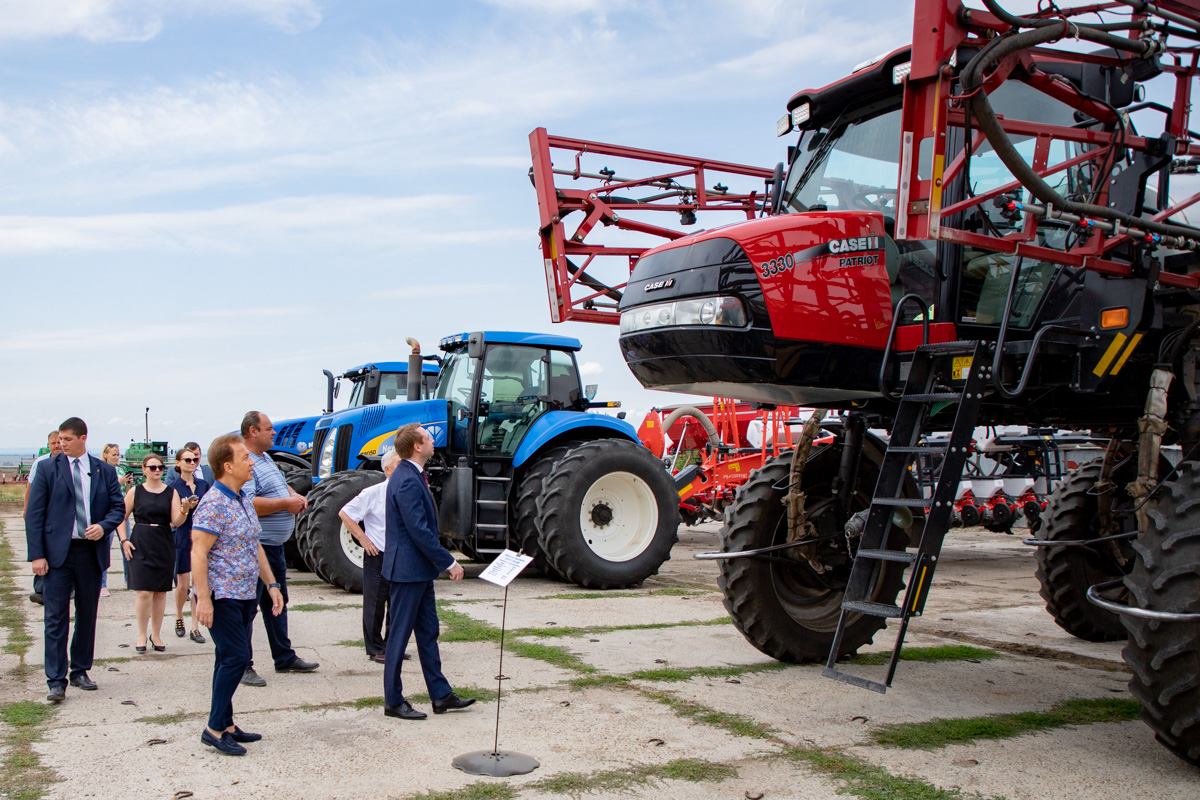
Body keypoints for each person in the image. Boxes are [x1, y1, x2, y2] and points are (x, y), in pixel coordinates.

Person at [191, 433, 285, 756]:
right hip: (222, 595)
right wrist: (203, 599)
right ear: (227, 466)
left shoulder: (243, 498)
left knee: (226, 658)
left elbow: (254, 544)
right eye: (245, 458)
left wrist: (272, 584)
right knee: (236, 657)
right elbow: (198, 553)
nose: (251, 463)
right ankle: (214, 729)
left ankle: (227, 724)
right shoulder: (213, 503)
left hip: (245, 593)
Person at [25, 417, 125, 703]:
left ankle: (80, 670)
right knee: (55, 617)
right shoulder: (48, 468)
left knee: (87, 614)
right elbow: (34, 514)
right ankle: (56, 680)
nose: (62, 443)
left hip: (90, 553)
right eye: (60, 439)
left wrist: (103, 526)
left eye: (67, 439)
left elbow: (118, 508)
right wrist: (37, 555)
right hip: (57, 554)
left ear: (83, 438)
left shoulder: (104, 471)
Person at [382, 423, 474, 720]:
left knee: (428, 632)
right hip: (407, 571)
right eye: (427, 438)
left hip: (418, 571)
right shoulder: (407, 479)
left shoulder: (412, 474)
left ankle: (441, 695)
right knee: (399, 637)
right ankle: (393, 701)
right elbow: (419, 531)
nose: (433, 441)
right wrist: (449, 562)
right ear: (417, 447)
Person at [239, 411, 318, 686]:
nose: (274, 433)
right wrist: (285, 504)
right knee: (248, 609)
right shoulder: (246, 463)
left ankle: (284, 656)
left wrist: (294, 495)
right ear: (253, 431)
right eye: (269, 428)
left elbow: (281, 486)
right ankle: (242, 665)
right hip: (257, 548)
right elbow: (249, 504)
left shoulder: (266, 459)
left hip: (274, 547)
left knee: (277, 603)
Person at [338, 451, 406, 664]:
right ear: (387, 469)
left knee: (397, 603)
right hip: (378, 554)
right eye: (399, 464)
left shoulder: (407, 492)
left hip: (400, 555)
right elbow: (345, 513)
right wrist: (363, 540)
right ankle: (375, 648)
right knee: (375, 603)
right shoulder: (373, 493)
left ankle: (393, 646)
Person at [121, 453, 187, 653]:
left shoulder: (171, 492)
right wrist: (124, 540)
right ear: (144, 470)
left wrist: (184, 510)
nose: (157, 470)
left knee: (160, 592)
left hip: (163, 542)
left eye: (160, 467)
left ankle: (156, 634)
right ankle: (142, 634)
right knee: (143, 592)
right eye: (152, 467)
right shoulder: (136, 491)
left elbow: (176, 521)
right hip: (140, 541)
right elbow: (120, 516)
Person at [170, 444, 209, 643]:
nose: (192, 463)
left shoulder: (203, 484)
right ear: (178, 463)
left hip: (201, 536)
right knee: (182, 585)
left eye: (194, 459)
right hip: (183, 535)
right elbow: (173, 518)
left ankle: (195, 626)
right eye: (187, 460)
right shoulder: (173, 487)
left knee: (197, 584)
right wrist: (185, 508)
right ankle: (179, 617)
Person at [24, 430, 62, 605]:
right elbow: (30, 488)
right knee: (42, 550)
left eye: (59, 442)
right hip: (44, 513)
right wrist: (27, 510)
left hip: (61, 515)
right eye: (53, 443)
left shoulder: (71, 463)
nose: (57, 446)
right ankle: (40, 589)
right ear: (48, 445)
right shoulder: (41, 463)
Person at [99, 444, 134, 596]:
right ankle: (102, 584)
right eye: (113, 454)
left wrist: (128, 485)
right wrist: (117, 482)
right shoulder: (101, 471)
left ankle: (130, 578)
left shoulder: (120, 470)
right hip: (107, 512)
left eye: (118, 455)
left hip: (121, 511)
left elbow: (126, 494)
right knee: (104, 547)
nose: (116, 457)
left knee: (127, 544)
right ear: (105, 455)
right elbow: (100, 492)